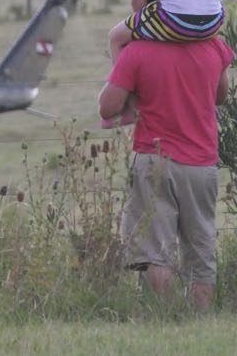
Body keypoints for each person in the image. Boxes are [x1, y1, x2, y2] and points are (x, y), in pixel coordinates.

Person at [99, 35, 232, 311]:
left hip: (154, 159)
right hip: (201, 163)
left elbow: (108, 108)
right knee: (200, 248)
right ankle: (201, 320)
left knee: (155, 249)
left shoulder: (137, 51)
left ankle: (166, 315)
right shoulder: (215, 46)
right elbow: (220, 95)